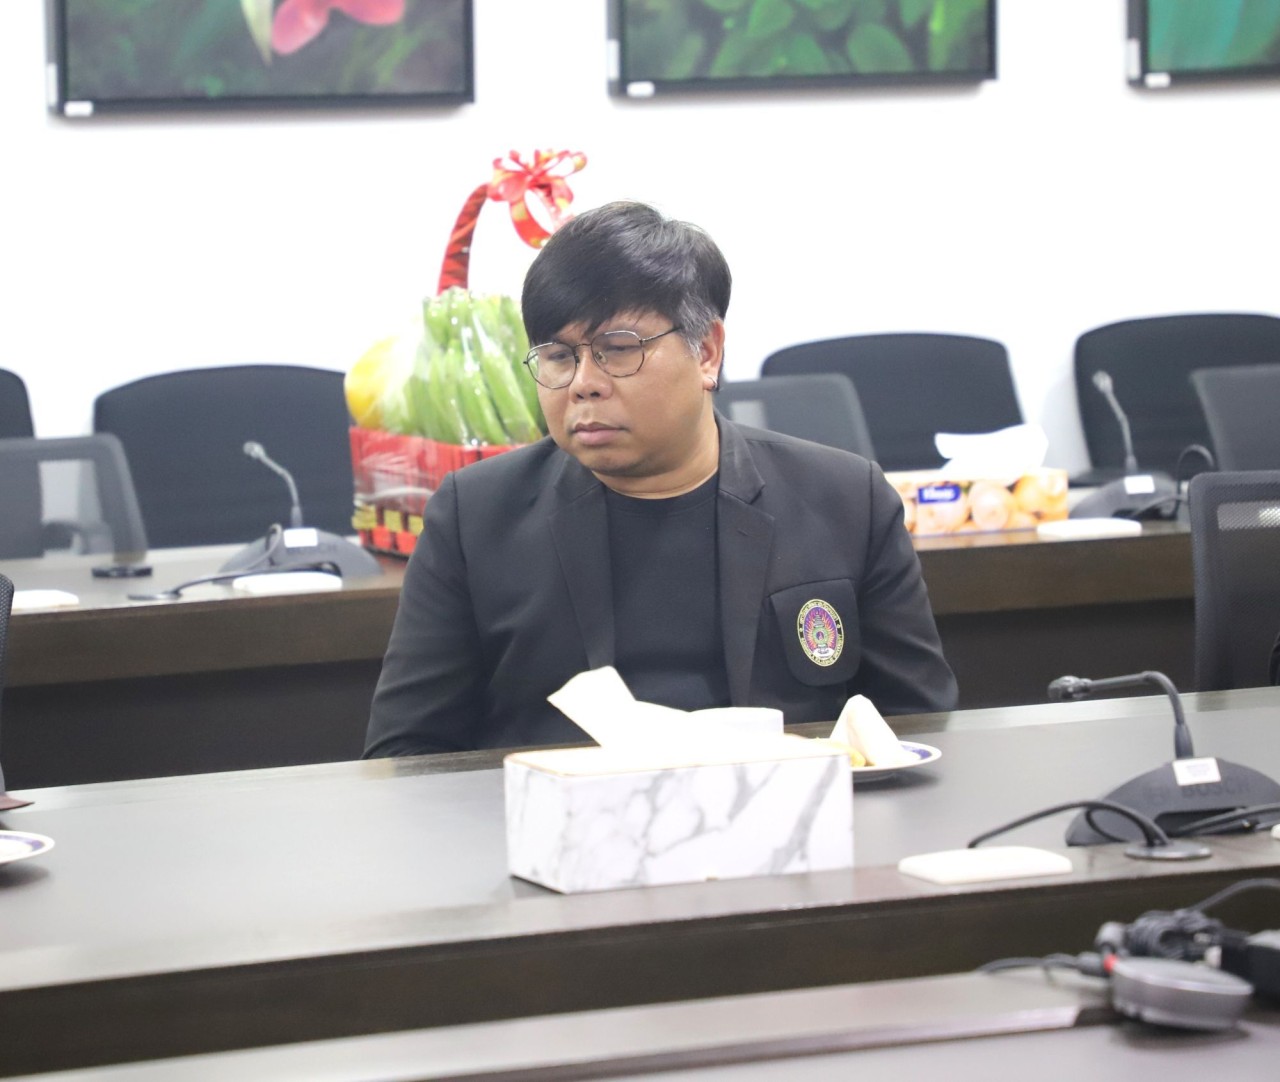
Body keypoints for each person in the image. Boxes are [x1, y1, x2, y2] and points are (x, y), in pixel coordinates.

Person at [364, 201, 957, 757]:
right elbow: (405, 754)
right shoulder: (476, 516)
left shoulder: (847, 500)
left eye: (618, 349)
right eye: (560, 356)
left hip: (796, 818)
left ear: (707, 353)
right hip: (557, 823)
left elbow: (921, 728)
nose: (584, 383)